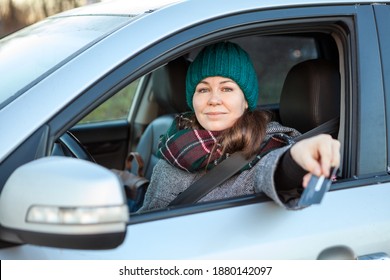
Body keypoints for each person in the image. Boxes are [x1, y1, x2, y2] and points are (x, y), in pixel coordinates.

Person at [137, 41, 340, 212]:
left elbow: (274, 171)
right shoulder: (173, 146)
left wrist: (296, 159)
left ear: (245, 101)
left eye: (227, 88)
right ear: (193, 99)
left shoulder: (265, 145)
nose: (214, 99)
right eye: (203, 89)